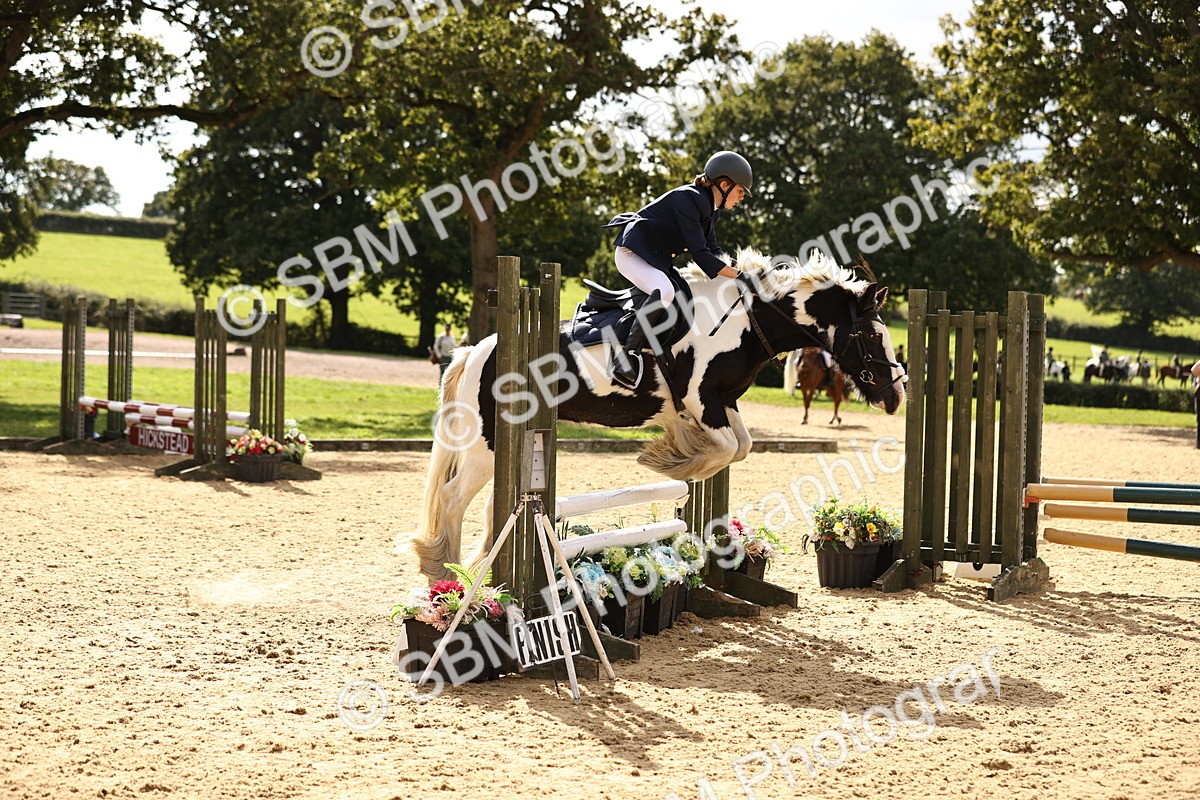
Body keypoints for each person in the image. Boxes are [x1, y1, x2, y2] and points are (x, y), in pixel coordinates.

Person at [602, 150, 752, 389]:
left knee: (682, 293)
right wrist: (740, 276)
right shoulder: (688, 199)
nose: (741, 198)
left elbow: (713, 249)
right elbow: (700, 254)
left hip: (654, 259)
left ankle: (662, 351)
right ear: (724, 184)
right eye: (740, 191)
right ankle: (625, 357)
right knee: (665, 292)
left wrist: (739, 269)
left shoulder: (710, 209)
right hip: (632, 254)